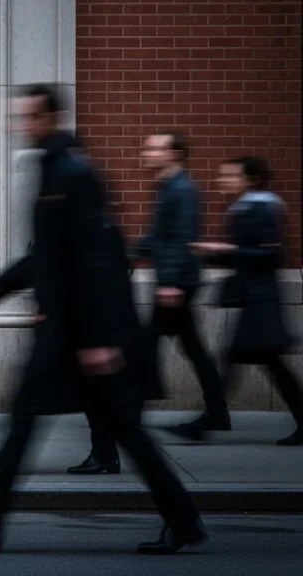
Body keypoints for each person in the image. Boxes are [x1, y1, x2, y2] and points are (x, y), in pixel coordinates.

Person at [0, 84, 205, 554]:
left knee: (116, 429)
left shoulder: (74, 171)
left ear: (52, 117)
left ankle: (181, 517)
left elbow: (98, 258)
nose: (21, 126)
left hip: (83, 335)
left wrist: (99, 340)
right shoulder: (54, 168)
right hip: (67, 331)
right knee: (35, 421)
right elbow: (49, 255)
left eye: (29, 117)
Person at [191, 157, 302, 446]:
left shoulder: (264, 207)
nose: (222, 180)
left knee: (243, 361)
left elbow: (270, 255)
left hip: (261, 301)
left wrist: (227, 248)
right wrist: (215, 252)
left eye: (230, 175)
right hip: (254, 300)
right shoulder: (244, 207)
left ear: (251, 179)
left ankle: (212, 417)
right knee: (264, 364)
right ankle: (212, 416)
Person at [133, 131, 226, 444]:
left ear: (174, 154)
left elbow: (182, 238)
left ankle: (128, 413)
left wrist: (170, 283)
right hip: (177, 282)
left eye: (155, 148)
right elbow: (159, 237)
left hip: (177, 284)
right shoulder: (168, 187)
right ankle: (217, 411)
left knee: (147, 346)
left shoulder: (182, 189)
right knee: (193, 349)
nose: (147, 152)